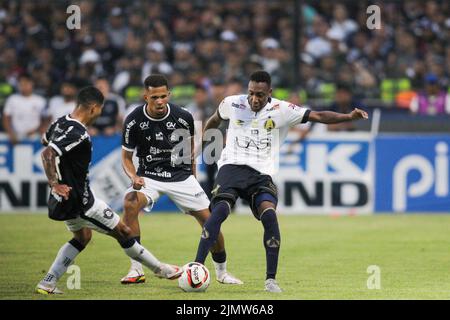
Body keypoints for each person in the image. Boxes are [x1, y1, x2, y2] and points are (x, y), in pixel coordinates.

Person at [194, 71, 368, 292]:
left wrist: (347, 117)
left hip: (261, 174)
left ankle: (270, 280)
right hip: (231, 167)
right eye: (251, 93)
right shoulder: (232, 103)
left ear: (270, 93)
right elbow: (215, 119)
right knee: (219, 211)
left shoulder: (282, 110)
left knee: (269, 214)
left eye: (260, 94)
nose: (255, 99)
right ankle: (196, 266)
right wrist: (201, 143)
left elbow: (319, 116)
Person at [36, 86, 181, 295]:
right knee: (124, 231)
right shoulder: (78, 132)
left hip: (65, 198)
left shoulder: (60, 122)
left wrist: (59, 179)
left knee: (82, 237)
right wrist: (54, 182)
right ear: (94, 108)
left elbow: (45, 140)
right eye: (101, 110)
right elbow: (48, 153)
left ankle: (48, 282)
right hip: (81, 201)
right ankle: (161, 269)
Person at [120, 74, 242, 285]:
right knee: (130, 202)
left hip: (181, 177)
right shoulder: (133, 121)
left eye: (163, 96)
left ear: (169, 94)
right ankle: (136, 268)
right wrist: (134, 176)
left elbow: (190, 151)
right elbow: (126, 157)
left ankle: (222, 272)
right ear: (145, 96)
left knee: (210, 222)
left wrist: (192, 178)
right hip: (150, 177)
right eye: (154, 97)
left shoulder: (183, 116)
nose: (159, 101)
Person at [3, 73, 46, 144]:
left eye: (26, 83)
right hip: (16, 137)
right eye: (21, 84)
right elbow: (6, 118)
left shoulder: (40, 101)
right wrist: (10, 133)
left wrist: (37, 130)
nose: (23, 86)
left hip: (35, 138)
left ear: (32, 84)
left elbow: (45, 120)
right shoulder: (12, 99)